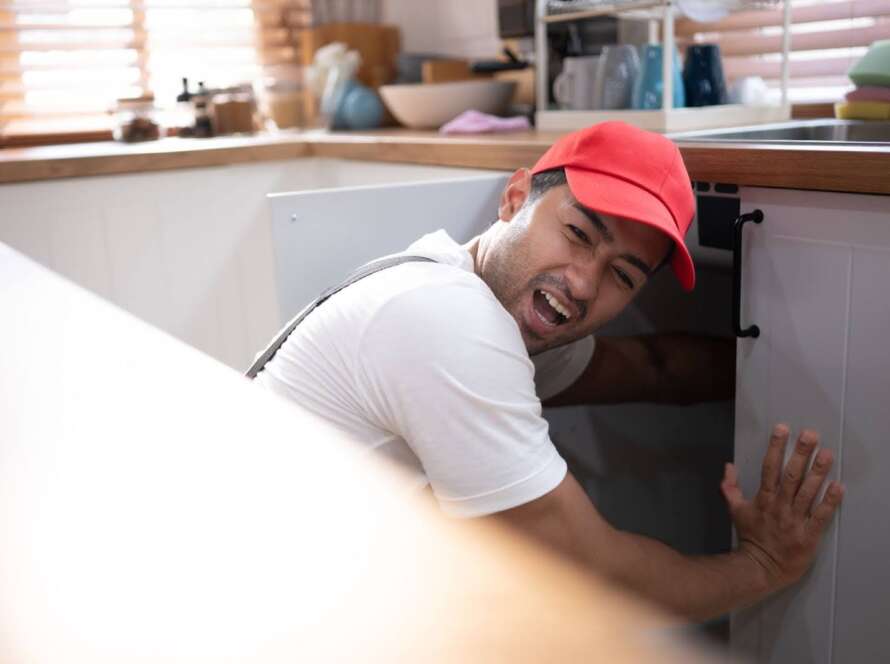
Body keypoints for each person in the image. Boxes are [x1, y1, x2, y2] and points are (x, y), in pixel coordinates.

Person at [251, 121, 843, 621]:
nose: (584, 282)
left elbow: (652, 369)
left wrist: (800, 381)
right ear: (515, 198)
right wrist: (762, 566)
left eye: (623, 276)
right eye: (579, 233)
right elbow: (594, 572)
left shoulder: (459, 287)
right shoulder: (450, 320)